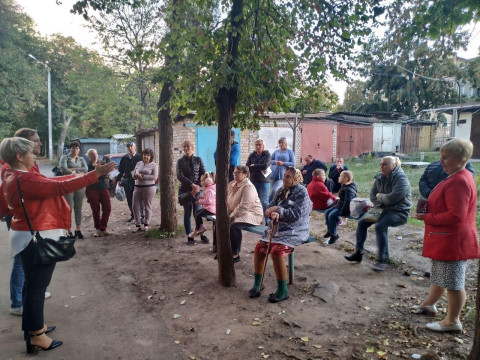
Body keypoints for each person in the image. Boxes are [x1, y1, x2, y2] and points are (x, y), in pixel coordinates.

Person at [0, 136, 116, 354]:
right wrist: (94, 175)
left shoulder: (11, 173)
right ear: (19, 156)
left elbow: (53, 183)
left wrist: (87, 174)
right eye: (31, 152)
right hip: (35, 238)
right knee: (36, 288)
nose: (35, 154)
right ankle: (36, 335)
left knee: (30, 286)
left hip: (24, 235)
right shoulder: (25, 180)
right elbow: (59, 187)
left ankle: (33, 329)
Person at [411, 139, 478, 333]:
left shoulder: (460, 180)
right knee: (440, 276)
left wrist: (428, 217)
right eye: (441, 156)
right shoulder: (455, 175)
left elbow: (455, 215)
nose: (441, 161)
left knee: (454, 283)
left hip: (453, 240)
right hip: (445, 238)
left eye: (446, 157)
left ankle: (452, 321)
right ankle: (429, 304)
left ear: (462, 158)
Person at [0, 128, 51, 317]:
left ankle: (32, 292)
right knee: (22, 260)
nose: (39, 144)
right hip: (20, 218)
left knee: (32, 257)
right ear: (22, 148)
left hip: (30, 218)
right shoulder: (11, 167)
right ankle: (18, 302)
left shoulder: (30, 163)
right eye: (35, 141)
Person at [249, 167, 312, 302]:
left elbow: (297, 215)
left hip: (294, 230)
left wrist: (279, 210)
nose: (285, 179)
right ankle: (258, 284)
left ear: (296, 178)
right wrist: (272, 212)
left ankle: (283, 290)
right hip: (276, 229)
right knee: (259, 248)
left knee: (277, 252)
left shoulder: (302, 192)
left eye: (288, 176)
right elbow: (269, 207)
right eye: (284, 176)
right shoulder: (280, 191)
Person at [345, 156, 412, 272]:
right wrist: (380, 200)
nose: (381, 167)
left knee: (380, 226)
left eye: (385, 164)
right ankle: (358, 253)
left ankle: (382, 260)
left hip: (399, 211)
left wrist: (380, 197)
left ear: (394, 166)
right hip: (381, 208)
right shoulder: (379, 177)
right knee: (361, 223)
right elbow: (372, 195)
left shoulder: (401, 179)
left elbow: (393, 198)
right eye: (380, 164)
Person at [226, 165, 263, 263]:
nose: (235, 175)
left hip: (252, 214)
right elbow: (227, 201)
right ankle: (223, 251)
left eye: (238, 173)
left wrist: (232, 216)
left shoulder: (248, 187)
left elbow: (244, 207)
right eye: (234, 173)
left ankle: (235, 254)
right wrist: (226, 214)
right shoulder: (231, 184)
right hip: (238, 212)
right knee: (221, 222)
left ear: (245, 175)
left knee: (234, 226)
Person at [176, 140, 206, 245]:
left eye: (188, 146)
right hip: (185, 191)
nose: (186, 148)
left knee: (198, 213)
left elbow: (203, 174)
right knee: (187, 213)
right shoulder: (180, 161)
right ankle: (190, 236)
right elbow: (179, 176)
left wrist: (197, 186)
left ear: (192, 147)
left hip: (197, 191)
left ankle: (202, 234)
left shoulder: (198, 160)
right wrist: (191, 185)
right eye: (184, 147)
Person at [59, 141, 88, 238]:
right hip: (68, 185)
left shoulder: (81, 158)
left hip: (80, 185)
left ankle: (78, 230)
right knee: (69, 208)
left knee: (78, 208)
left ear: (79, 150)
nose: (75, 150)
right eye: (73, 148)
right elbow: (63, 169)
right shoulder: (64, 157)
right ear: (69, 149)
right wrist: (77, 172)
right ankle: (68, 230)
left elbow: (86, 169)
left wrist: (74, 170)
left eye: (77, 148)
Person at [323, 171, 357, 245]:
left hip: (345, 208)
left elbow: (348, 202)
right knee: (327, 212)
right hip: (340, 205)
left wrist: (343, 214)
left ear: (346, 178)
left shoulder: (349, 189)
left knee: (331, 215)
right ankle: (330, 231)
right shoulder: (344, 185)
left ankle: (334, 235)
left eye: (340, 176)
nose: (339, 177)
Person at [85, 149, 112, 237]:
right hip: (92, 189)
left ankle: (103, 228)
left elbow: (106, 176)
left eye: (96, 153)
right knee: (96, 210)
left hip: (103, 188)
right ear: (88, 156)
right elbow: (88, 177)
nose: (95, 155)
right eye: (92, 154)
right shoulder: (87, 166)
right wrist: (99, 173)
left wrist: (107, 175)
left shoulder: (102, 164)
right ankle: (97, 229)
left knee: (107, 208)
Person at [131, 148, 158, 233]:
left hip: (149, 188)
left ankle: (146, 224)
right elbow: (133, 174)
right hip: (137, 187)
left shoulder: (154, 165)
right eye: (144, 154)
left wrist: (142, 176)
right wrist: (135, 175)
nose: (145, 156)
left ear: (150, 156)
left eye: (147, 155)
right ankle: (138, 225)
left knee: (147, 207)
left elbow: (154, 177)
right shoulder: (138, 163)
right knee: (135, 206)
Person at [115, 141, 142, 222]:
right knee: (130, 199)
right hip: (127, 181)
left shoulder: (139, 157)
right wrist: (119, 180)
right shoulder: (125, 158)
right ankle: (133, 215)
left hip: (137, 181)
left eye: (131, 146)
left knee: (139, 199)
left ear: (135, 147)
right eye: (128, 147)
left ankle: (141, 215)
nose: (129, 148)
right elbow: (121, 170)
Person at [246, 139, 271, 222]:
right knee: (254, 201)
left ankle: (267, 220)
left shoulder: (267, 154)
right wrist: (256, 167)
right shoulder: (252, 155)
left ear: (263, 146)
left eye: (259, 145)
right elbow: (247, 167)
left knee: (264, 201)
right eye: (256, 145)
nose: (258, 146)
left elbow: (265, 166)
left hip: (264, 181)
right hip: (253, 180)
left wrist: (254, 166)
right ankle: (256, 218)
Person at [189, 172, 216, 241]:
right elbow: (207, 198)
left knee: (198, 215)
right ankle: (201, 226)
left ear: (207, 181)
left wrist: (199, 201)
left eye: (202, 181)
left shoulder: (209, 190)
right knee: (197, 212)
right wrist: (201, 197)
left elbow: (208, 201)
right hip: (210, 208)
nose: (201, 183)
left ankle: (197, 229)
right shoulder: (210, 188)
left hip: (211, 209)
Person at [269, 137, 295, 202]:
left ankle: (269, 204)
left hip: (283, 174)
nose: (281, 144)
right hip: (273, 173)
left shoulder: (290, 152)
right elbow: (269, 161)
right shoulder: (276, 152)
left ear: (285, 143)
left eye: (282, 142)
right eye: (279, 143)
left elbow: (293, 163)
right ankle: (276, 203)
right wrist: (274, 162)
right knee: (273, 191)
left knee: (275, 190)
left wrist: (283, 163)